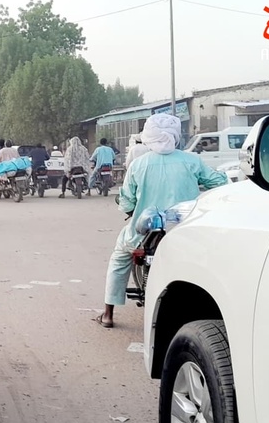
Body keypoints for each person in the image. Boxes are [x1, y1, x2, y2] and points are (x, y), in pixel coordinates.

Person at [94, 114, 227, 328]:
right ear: (175, 136)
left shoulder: (139, 164)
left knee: (119, 259)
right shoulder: (192, 160)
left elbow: (127, 200)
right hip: (185, 231)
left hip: (143, 232)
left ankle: (108, 313)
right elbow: (218, 182)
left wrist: (129, 210)